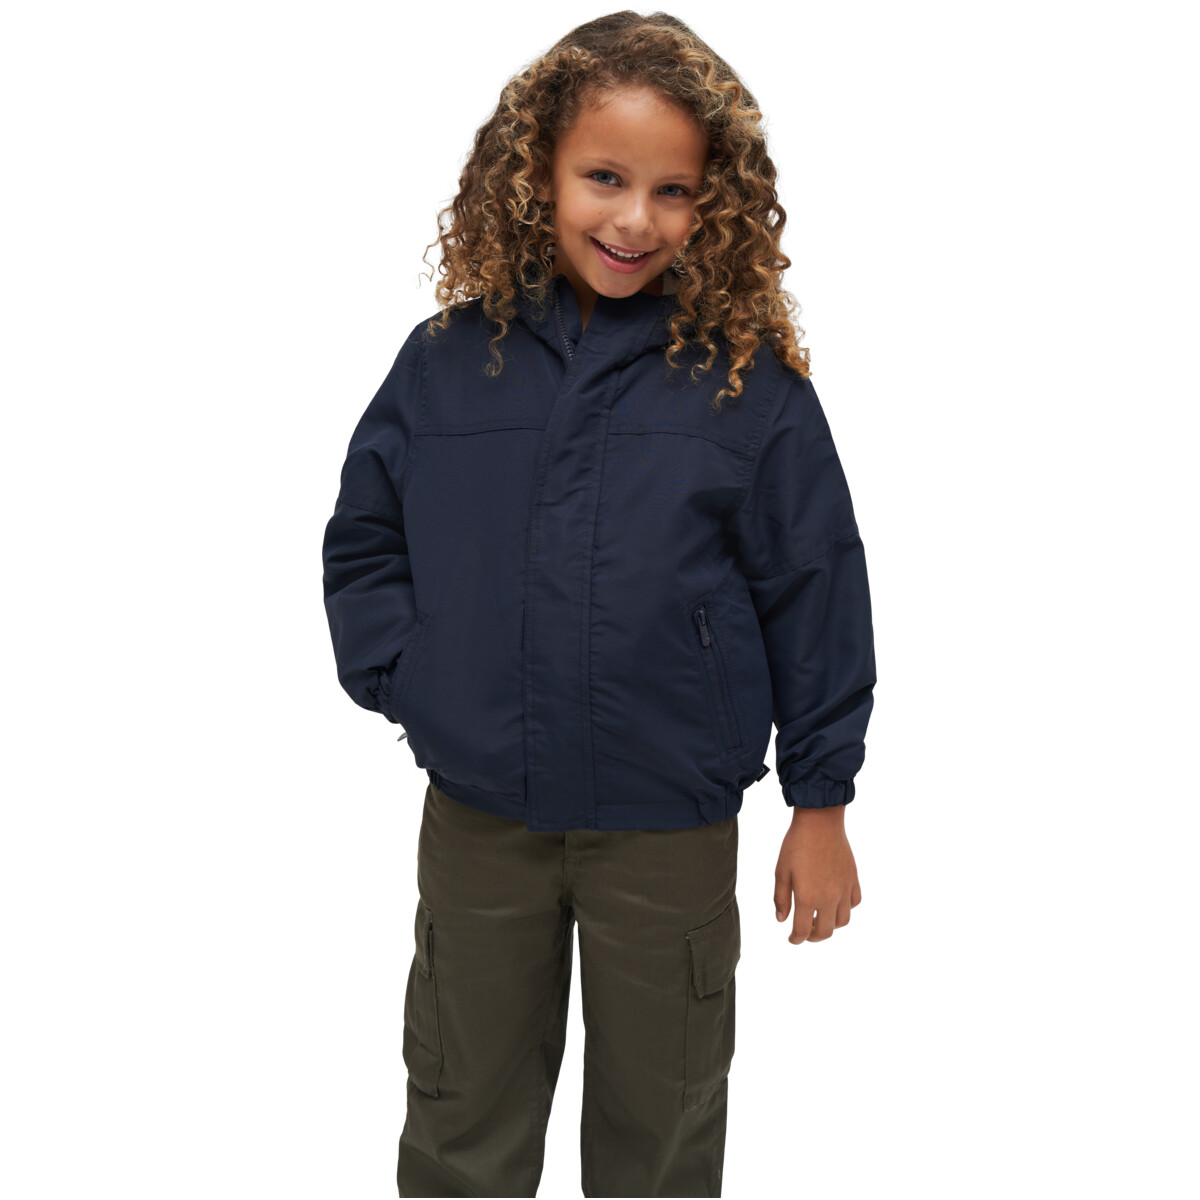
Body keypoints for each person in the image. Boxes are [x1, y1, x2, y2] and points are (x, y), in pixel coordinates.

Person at [321, 10, 877, 1197]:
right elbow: (366, 536)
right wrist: (412, 678)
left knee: (661, 1120)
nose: (635, 220)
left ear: (715, 206)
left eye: (675, 191)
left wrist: (821, 798)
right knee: (461, 1106)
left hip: (666, 820)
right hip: (482, 815)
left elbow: (816, 586)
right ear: (538, 172)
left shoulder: (747, 385)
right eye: (605, 178)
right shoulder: (446, 361)